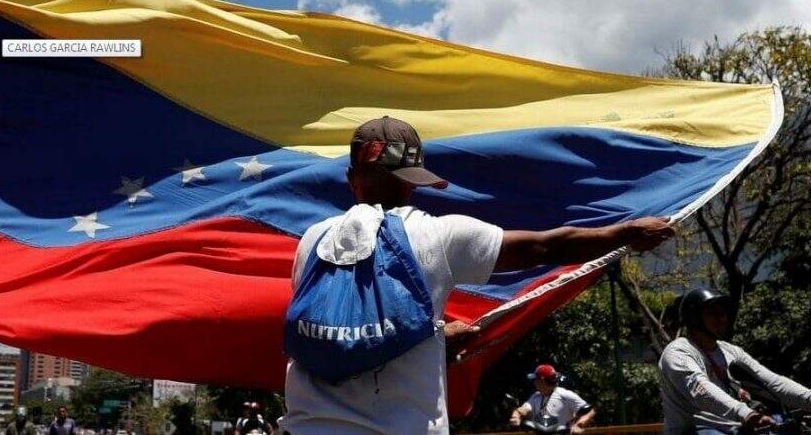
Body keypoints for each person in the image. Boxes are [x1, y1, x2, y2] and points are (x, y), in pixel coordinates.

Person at [279, 116, 674, 435]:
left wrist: (432, 334)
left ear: (352, 177)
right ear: (411, 180)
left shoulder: (311, 242)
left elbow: (344, 322)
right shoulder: (437, 234)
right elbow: (543, 247)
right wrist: (624, 234)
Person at [659, 289, 811, 435]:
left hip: (736, 427)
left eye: (723, 313)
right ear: (694, 318)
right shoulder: (678, 351)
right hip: (698, 429)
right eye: (713, 313)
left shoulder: (730, 351)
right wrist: (746, 413)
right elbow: (700, 390)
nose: (722, 318)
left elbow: (772, 382)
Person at [510, 365, 595, 434]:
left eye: (535, 379)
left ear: (542, 381)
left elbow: (590, 411)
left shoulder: (565, 395)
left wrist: (579, 425)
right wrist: (516, 416)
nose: (534, 382)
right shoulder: (535, 396)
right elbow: (523, 410)